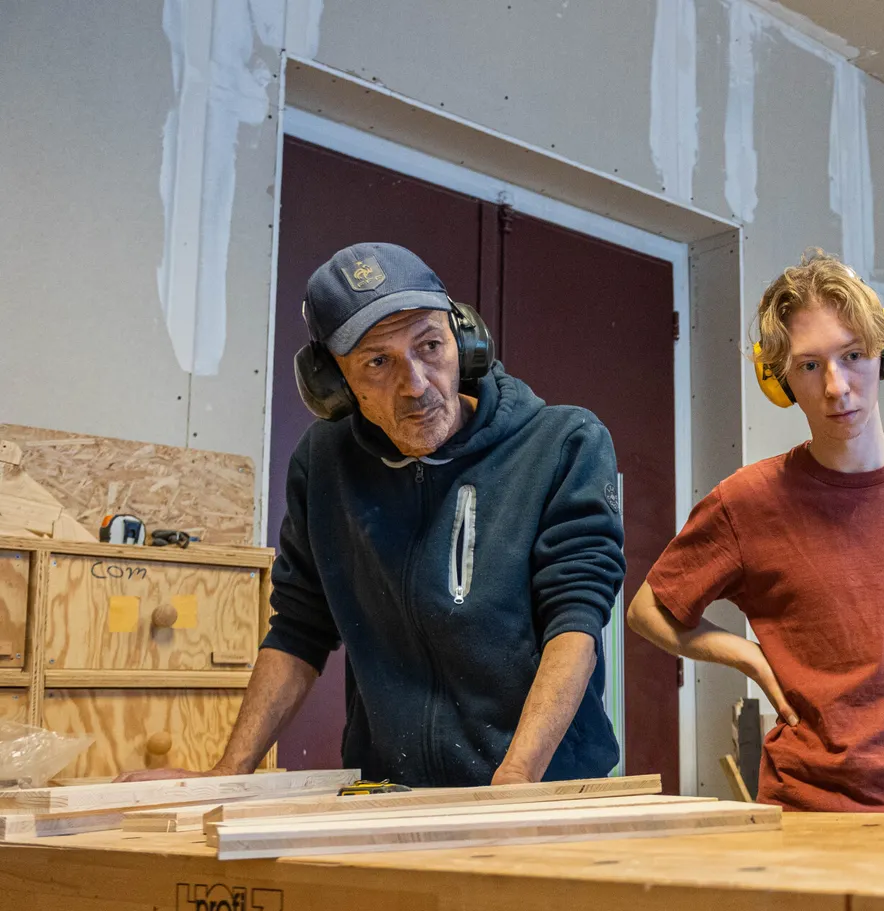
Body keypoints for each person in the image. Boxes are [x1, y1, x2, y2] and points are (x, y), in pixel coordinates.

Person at [122, 242, 627, 793]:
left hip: (543, 790)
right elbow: (298, 628)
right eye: (378, 362)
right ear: (333, 385)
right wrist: (227, 776)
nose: (416, 384)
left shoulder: (563, 444)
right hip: (391, 795)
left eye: (430, 346)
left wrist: (515, 780)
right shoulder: (324, 464)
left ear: (465, 340)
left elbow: (575, 621)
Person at [627, 251, 884, 812]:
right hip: (806, 808)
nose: (836, 387)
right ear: (779, 381)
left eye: (852, 355)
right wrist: (748, 657)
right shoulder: (748, 501)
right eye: (809, 366)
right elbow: (647, 611)